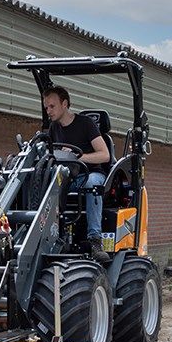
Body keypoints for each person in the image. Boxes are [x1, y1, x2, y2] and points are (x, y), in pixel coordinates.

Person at [43, 86, 111, 263]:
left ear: (64, 104)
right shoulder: (53, 128)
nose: (48, 111)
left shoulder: (85, 124)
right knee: (46, 184)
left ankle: (95, 240)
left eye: (52, 106)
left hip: (90, 174)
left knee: (91, 185)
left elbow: (105, 155)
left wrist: (78, 157)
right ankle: (54, 234)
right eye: (46, 107)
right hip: (68, 177)